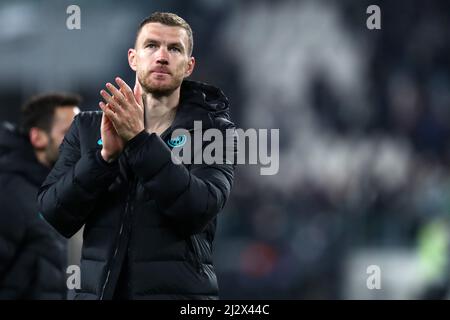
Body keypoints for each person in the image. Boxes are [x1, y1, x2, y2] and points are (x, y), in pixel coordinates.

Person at [38, 12, 237, 300]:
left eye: (175, 49)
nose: (162, 56)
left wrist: (140, 141)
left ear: (189, 65)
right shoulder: (87, 127)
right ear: (133, 58)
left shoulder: (214, 132)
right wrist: (103, 158)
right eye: (151, 46)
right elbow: (54, 214)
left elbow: (197, 210)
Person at [0, 93, 80, 299]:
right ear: (38, 137)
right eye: (69, 133)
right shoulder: (10, 192)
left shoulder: (53, 190)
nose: (79, 140)